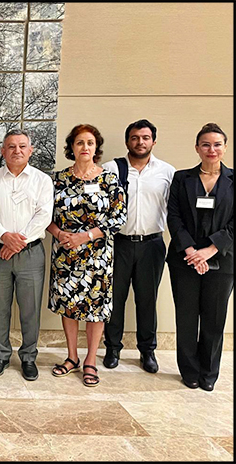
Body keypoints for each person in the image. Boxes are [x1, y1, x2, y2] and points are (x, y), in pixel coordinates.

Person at [48, 124, 126, 387]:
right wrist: (60, 234)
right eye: (80, 143)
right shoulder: (57, 179)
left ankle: (91, 360)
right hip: (65, 253)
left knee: (95, 308)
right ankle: (72, 357)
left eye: (90, 143)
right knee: (68, 306)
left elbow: (119, 217)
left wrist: (86, 236)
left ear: (96, 147)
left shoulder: (109, 179)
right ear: (72, 147)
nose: (85, 147)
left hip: (98, 256)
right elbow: (43, 214)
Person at [0, 129, 53, 380]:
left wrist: (17, 242)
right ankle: (0, 355)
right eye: (11, 146)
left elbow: (44, 215)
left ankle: (29, 357)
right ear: (3, 151)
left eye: (22, 146)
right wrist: (4, 237)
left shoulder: (42, 180)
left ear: (30, 150)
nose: (17, 151)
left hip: (30, 254)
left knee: (30, 309)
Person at [101, 119, 175, 373]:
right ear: (127, 142)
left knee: (147, 300)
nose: (140, 142)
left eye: (145, 138)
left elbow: (174, 211)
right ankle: (112, 348)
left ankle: (147, 351)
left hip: (152, 244)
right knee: (115, 299)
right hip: (117, 244)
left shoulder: (167, 172)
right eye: (135, 138)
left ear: (154, 141)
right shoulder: (111, 168)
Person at [167, 123, 233, 392]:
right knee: (186, 317)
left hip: (224, 259)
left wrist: (211, 249)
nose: (211, 149)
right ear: (197, 148)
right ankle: (190, 371)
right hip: (185, 258)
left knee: (214, 319)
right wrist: (192, 251)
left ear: (225, 147)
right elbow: (173, 216)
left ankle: (209, 372)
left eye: (217, 144)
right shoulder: (182, 178)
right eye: (206, 144)